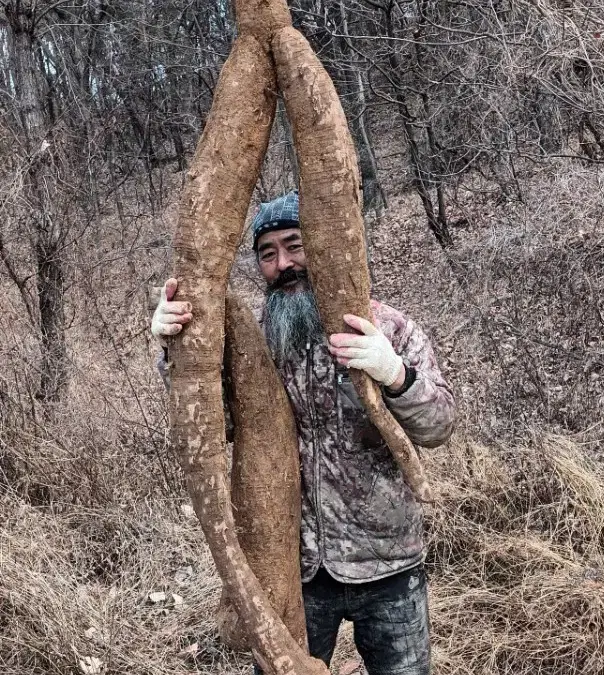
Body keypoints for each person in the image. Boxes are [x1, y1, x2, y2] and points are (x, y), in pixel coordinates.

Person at [151, 191, 455, 675]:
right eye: (267, 254)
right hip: (296, 569)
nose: (283, 264)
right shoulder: (253, 342)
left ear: (323, 245)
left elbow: (439, 426)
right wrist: (177, 353)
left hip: (390, 563)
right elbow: (219, 426)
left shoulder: (387, 329)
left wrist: (395, 374)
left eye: (295, 245)